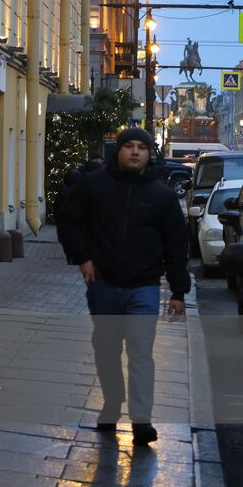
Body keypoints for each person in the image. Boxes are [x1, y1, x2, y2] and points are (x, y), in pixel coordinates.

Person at [56, 127, 190, 446]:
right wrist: (83, 258)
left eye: (140, 147)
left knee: (141, 352)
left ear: (148, 153)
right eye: (127, 146)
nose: (134, 152)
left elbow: (176, 246)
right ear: (118, 151)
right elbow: (67, 219)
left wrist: (178, 291)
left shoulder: (162, 196)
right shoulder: (95, 186)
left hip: (144, 286)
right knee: (106, 349)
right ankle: (112, 403)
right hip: (103, 284)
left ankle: (142, 420)